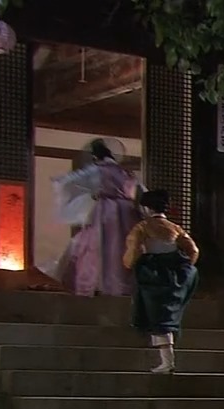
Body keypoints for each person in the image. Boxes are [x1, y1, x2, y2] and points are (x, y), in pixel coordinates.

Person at [46, 138, 143, 297]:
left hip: (107, 210)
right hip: (127, 211)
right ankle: (122, 285)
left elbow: (74, 181)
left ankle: (100, 283)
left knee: (102, 244)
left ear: (95, 156)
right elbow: (140, 189)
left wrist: (59, 181)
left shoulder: (98, 170)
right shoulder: (126, 173)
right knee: (123, 245)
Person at [123, 189, 200, 374]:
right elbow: (193, 250)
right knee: (166, 314)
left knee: (157, 315)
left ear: (146, 208)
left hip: (153, 274)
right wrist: (182, 268)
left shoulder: (142, 227)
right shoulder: (176, 228)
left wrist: (130, 264)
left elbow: (133, 252)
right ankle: (167, 361)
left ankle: (167, 361)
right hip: (174, 274)